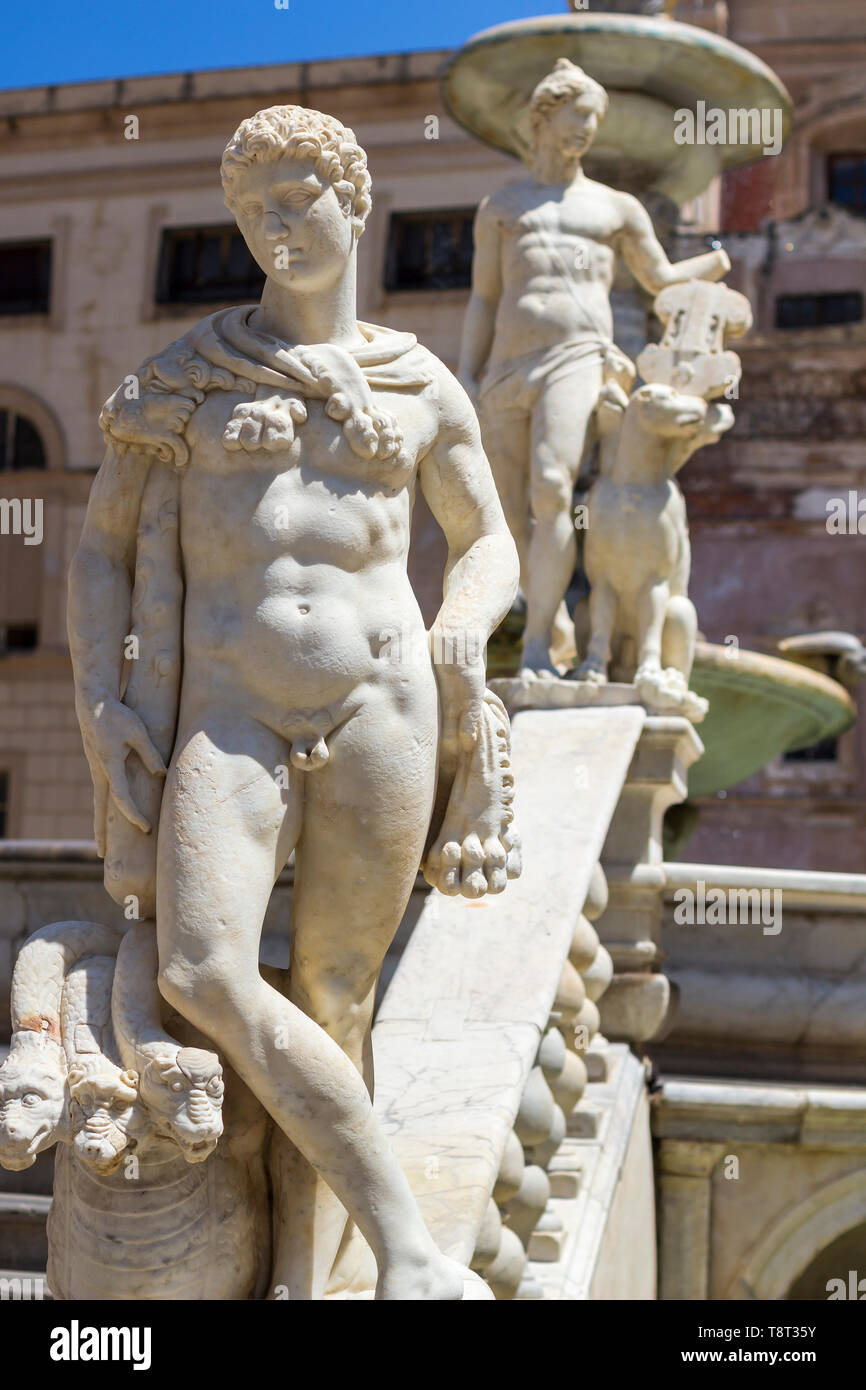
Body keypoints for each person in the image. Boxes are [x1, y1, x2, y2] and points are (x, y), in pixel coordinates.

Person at [68, 104, 519, 1300]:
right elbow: (101, 545)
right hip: (228, 705)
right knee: (203, 969)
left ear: (354, 200)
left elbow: (488, 542)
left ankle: (303, 1283)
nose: (278, 223)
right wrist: (101, 695)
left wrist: (462, 622)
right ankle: (410, 1245)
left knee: (336, 992)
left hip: (384, 702)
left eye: (300, 194)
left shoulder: (416, 381)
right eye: (254, 205)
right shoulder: (184, 378)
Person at [458, 57, 730, 675]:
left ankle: (532, 654)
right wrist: (467, 372)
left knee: (553, 488)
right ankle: (547, 619)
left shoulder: (616, 207)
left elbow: (658, 278)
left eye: (595, 121)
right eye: (578, 117)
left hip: (578, 355)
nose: (587, 130)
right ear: (544, 117)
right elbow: (485, 297)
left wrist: (716, 265)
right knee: (508, 507)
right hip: (506, 364)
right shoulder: (501, 206)